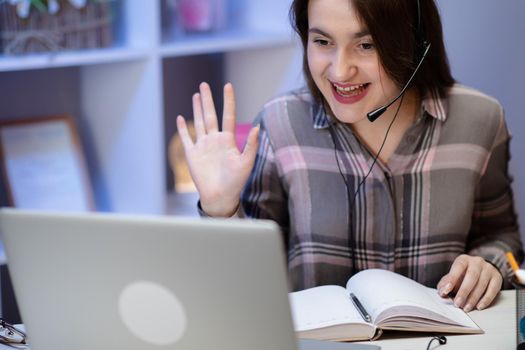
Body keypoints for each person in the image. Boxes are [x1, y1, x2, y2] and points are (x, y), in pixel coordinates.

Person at [174, 0, 523, 313]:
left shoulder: (480, 120)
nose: (340, 71)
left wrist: (489, 264)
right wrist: (221, 209)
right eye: (322, 42)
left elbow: (502, 237)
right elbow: (251, 278)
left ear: (414, 45)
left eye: (366, 45)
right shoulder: (281, 125)